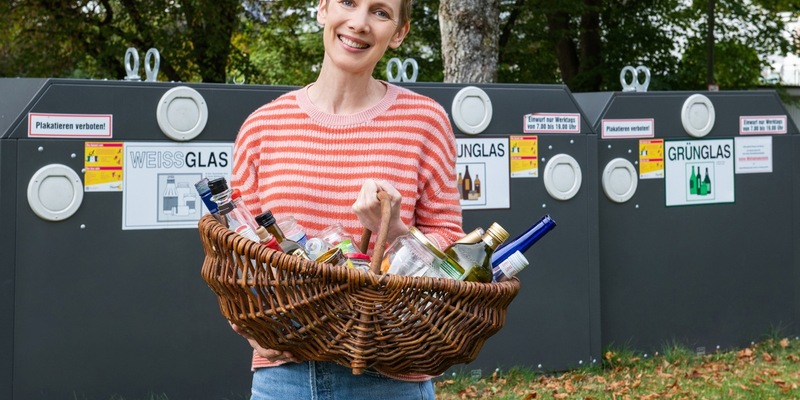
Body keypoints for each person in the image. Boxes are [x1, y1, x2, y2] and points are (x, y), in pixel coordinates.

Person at [230, 0, 464, 398]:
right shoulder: (262, 127)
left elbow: (452, 247)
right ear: (322, 8)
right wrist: (246, 322)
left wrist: (396, 232)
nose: (358, 23)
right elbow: (236, 250)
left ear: (399, 33)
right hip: (284, 374)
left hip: (388, 376)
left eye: (380, 12)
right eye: (349, 3)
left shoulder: (425, 121)